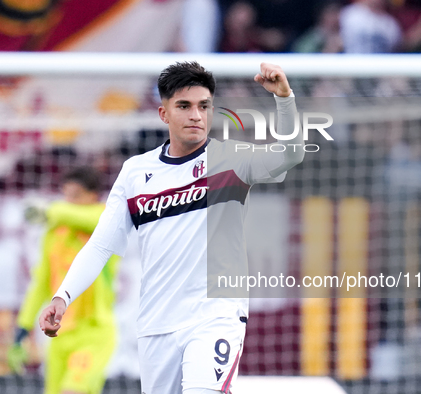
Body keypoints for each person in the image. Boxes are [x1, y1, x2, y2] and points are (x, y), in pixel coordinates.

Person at [39, 61, 304, 393]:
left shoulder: (232, 160)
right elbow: (101, 245)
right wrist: (63, 296)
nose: (196, 115)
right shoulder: (136, 172)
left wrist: (284, 98)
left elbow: (290, 154)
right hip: (156, 323)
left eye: (203, 106)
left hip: (215, 317)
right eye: (184, 106)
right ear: (164, 114)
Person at [8, 166, 119, 394]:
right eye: (66, 195)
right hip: (60, 334)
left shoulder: (105, 224)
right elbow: (42, 284)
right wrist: (23, 327)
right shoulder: (55, 232)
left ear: (92, 196)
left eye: (75, 196)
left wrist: (50, 210)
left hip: (94, 332)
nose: (69, 202)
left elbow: (92, 217)